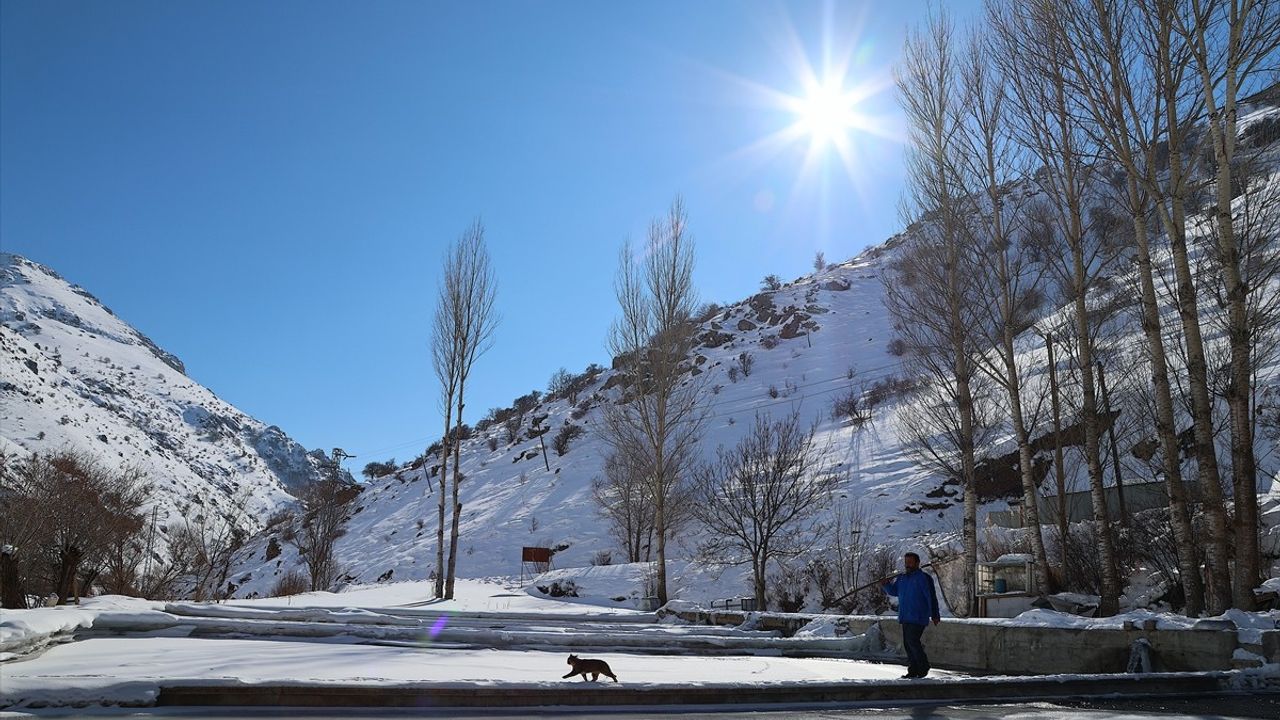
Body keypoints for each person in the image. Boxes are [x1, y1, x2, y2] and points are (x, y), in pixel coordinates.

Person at [881, 551, 941, 679]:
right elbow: (894, 591)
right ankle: (913, 670)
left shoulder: (924, 578)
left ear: (917, 563)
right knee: (908, 644)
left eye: (910, 562)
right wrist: (886, 584)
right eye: (906, 562)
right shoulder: (902, 578)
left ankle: (923, 667)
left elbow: (931, 597)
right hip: (905, 616)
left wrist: (935, 614)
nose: (907, 565)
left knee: (912, 641)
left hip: (918, 615)